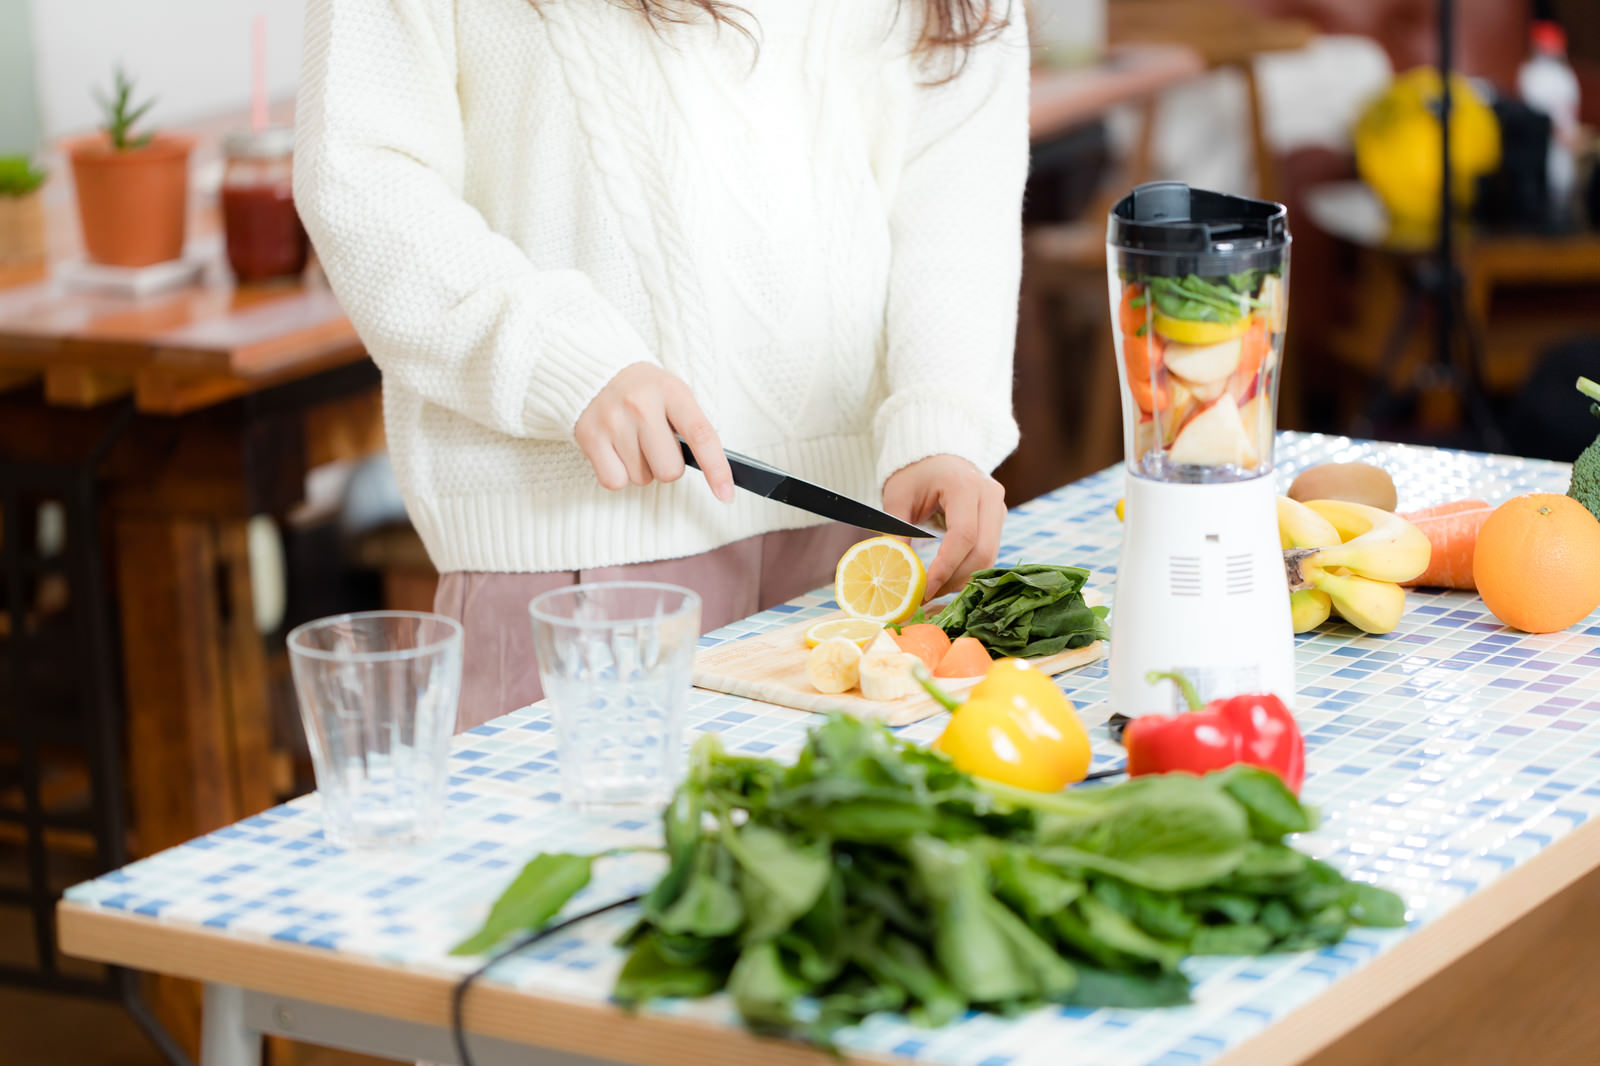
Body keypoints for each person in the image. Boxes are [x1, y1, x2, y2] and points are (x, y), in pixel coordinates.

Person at [295, 0, 1030, 728]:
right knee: (572, 845)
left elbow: (958, 179)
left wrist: (942, 417)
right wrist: (566, 359)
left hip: (867, 544)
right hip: (580, 556)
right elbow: (363, 174)